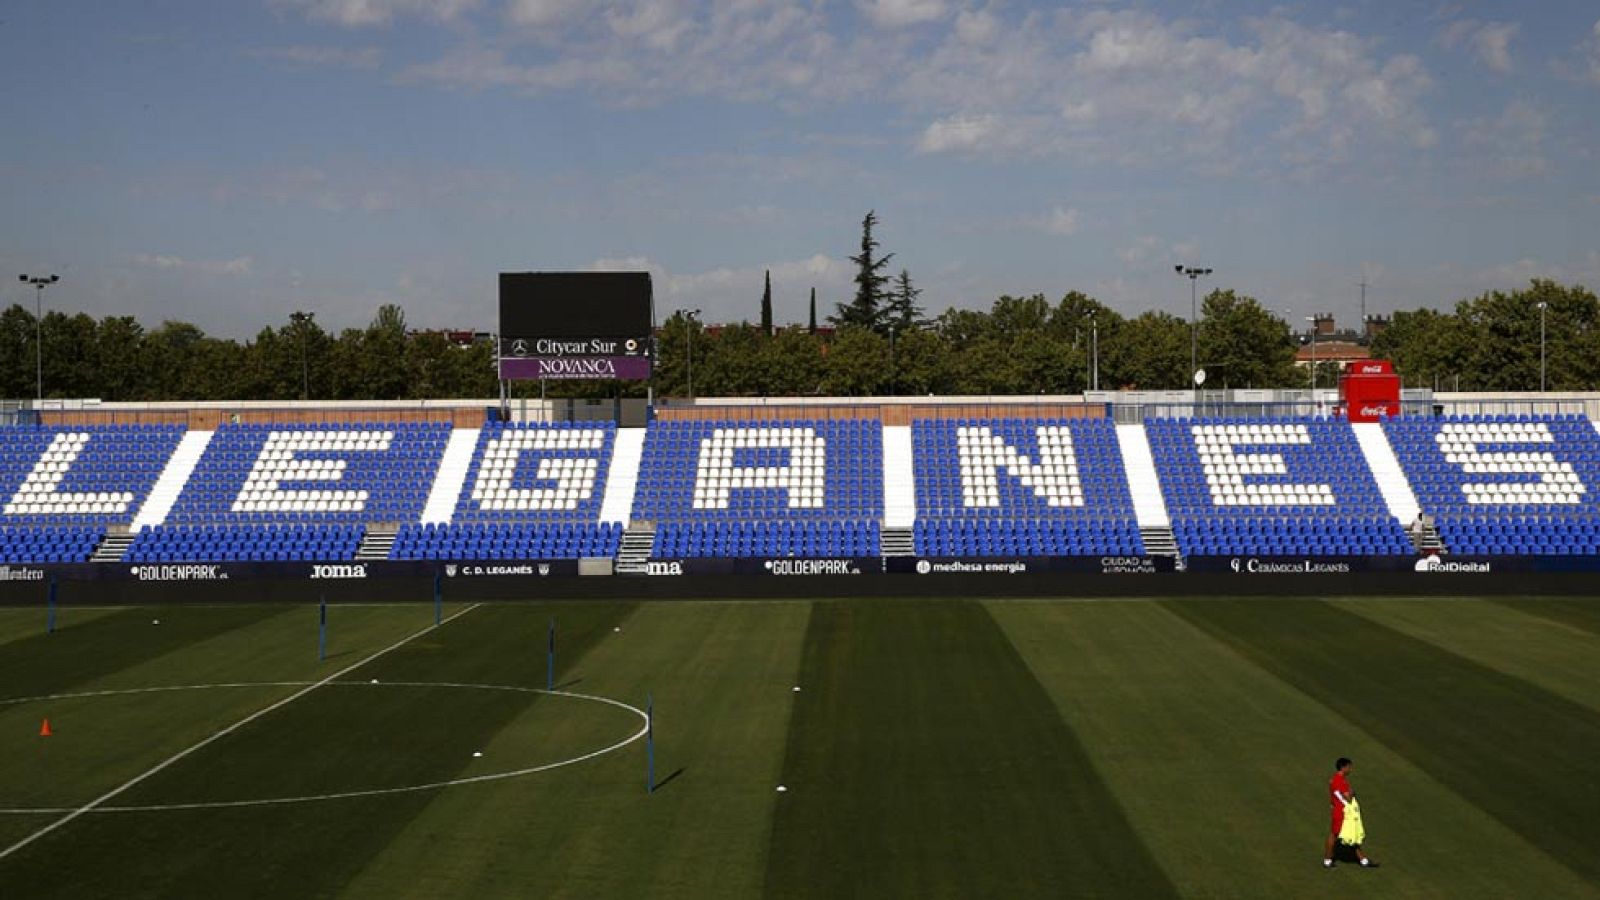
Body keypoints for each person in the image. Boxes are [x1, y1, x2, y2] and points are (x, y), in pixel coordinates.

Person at [1325, 757, 1379, 868]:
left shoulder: (1334, 779)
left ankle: (1362, 860)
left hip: (1338, 810)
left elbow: (1333, 796)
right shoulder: (1341, 781)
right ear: (1343, 767)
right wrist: (1352, 792)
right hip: (1344, 813)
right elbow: (1348, 797)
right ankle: (1327, 860)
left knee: (1349, 834)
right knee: (1335, 835)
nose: (1350, 769)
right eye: (1349, 767)